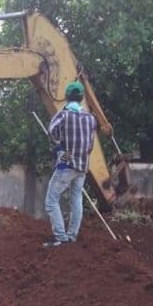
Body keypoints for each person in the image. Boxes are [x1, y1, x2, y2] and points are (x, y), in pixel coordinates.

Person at [43, 81, 98, 247]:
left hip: (66, 165)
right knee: (76, 200)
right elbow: (90, 146)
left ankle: (60, 237)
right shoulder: (90, 118)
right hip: (82, 167)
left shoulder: (64, 114)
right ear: (81, 98)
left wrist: (60, 145)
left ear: (67, 97)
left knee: (51, 200)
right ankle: (72, 236)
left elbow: (51, 131)